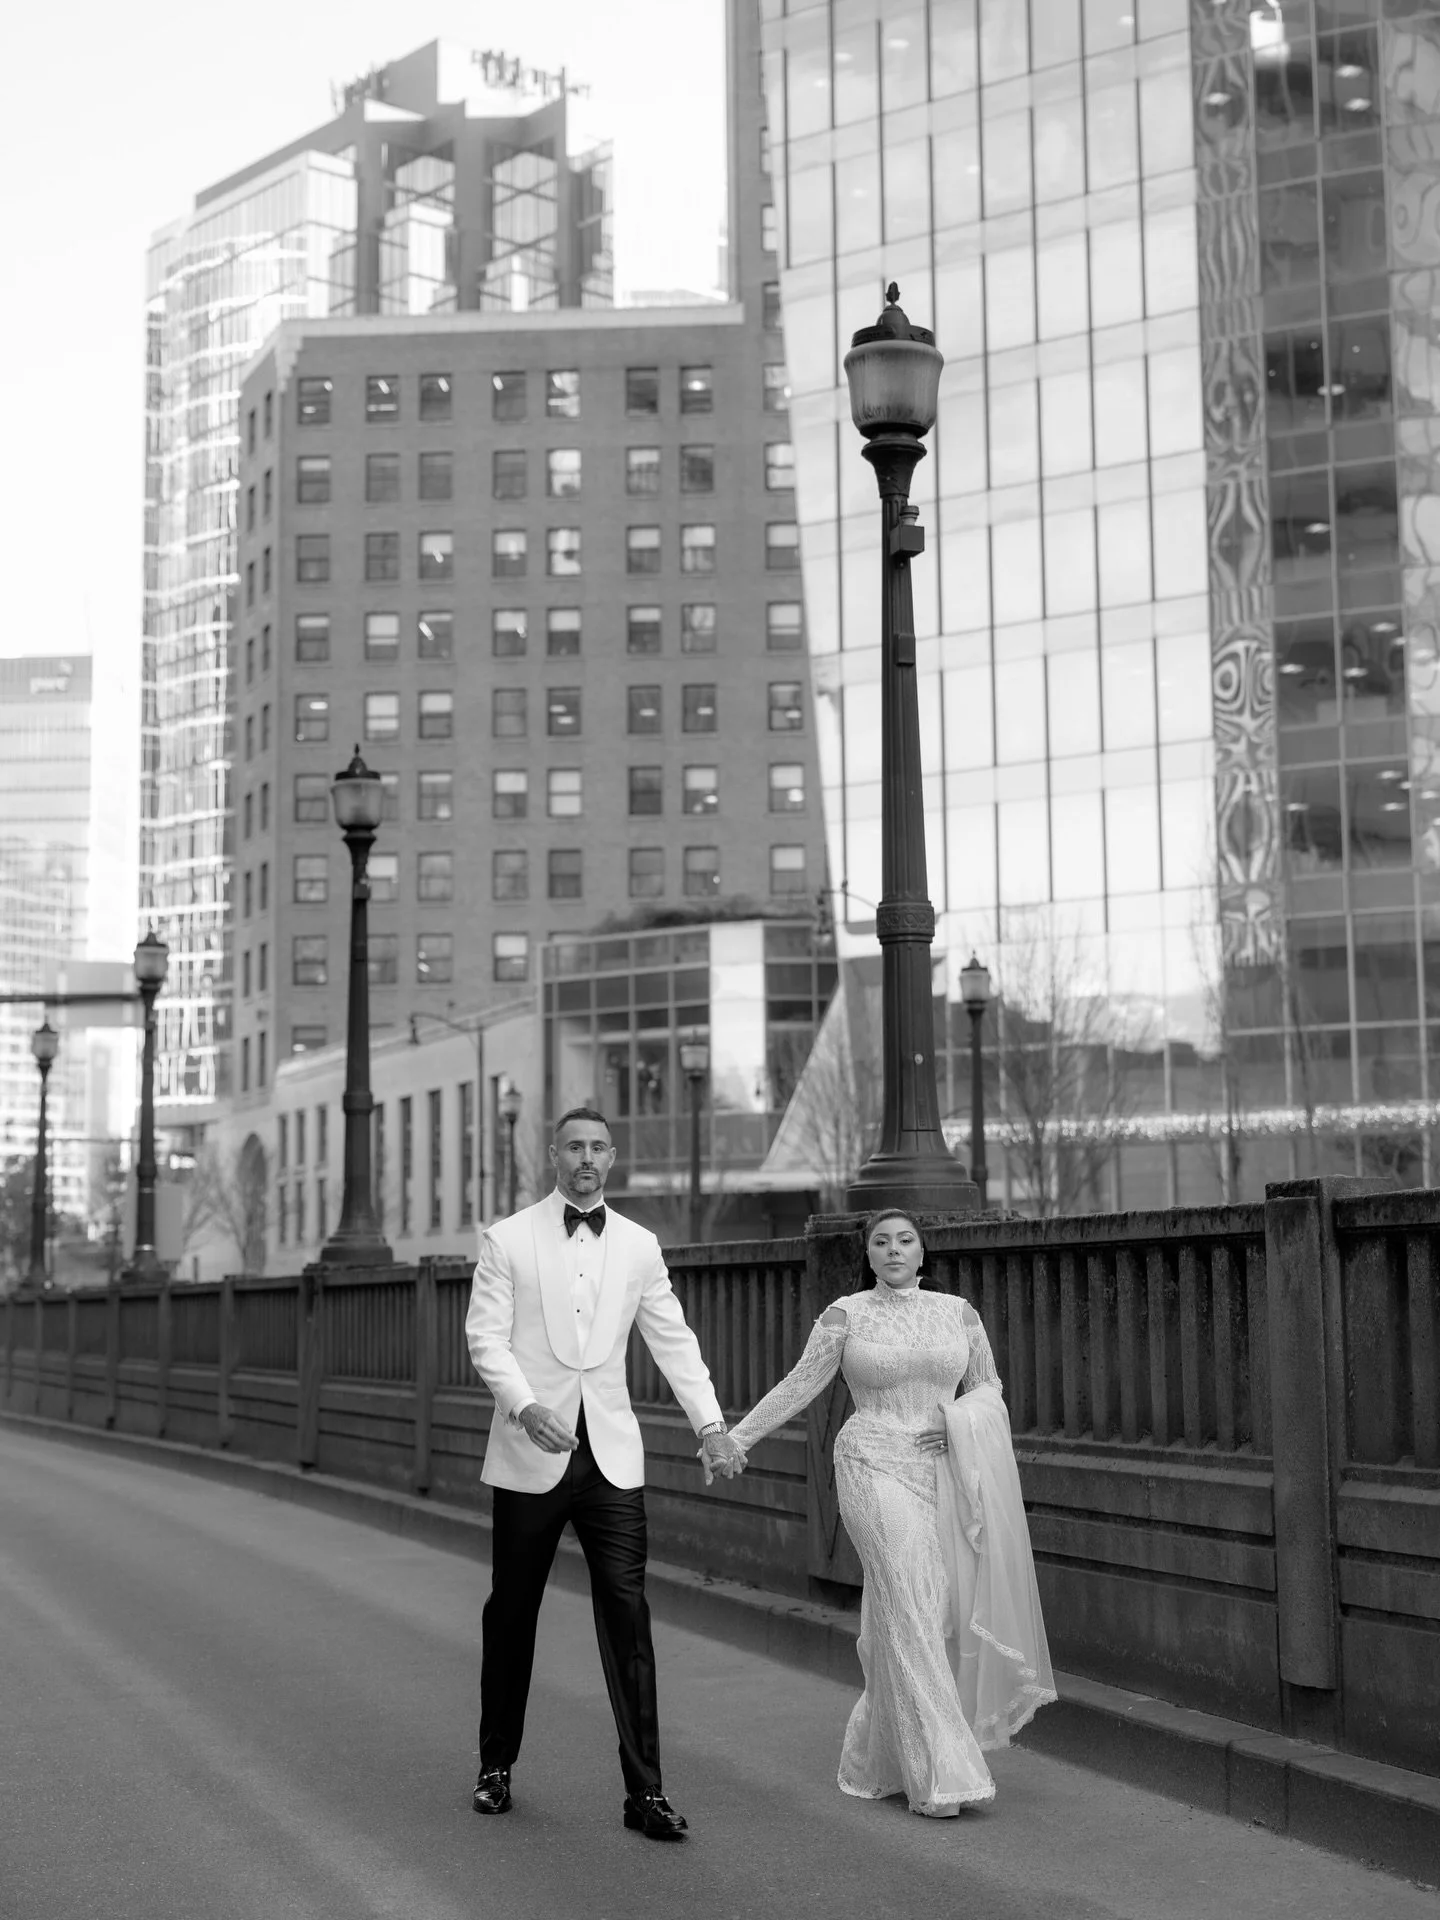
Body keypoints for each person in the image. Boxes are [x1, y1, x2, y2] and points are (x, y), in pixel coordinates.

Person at [465, 1105, 745, 1840]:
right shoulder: (507, 1239)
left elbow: (673, 1340)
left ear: (612, 1158)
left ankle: (644, 1793)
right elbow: (485, 1341)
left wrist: (711, 1426)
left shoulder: (641, 1245)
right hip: (532, 1455)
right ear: (553, 1154)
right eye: (574, 1146)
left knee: (628, 1617)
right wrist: (525, 1410)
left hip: (612, 1461)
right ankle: (496, 1766)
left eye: (597, 1147)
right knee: (512, 1614)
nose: (586, 1157)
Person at [725, 1208, 1055, 1816]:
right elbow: (800, 1385)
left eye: (905, 1240)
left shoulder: (959, 1314)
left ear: (922, 1253)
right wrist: (735, 1438)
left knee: (919, 1606)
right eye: (881, 1242)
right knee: (908, 1599)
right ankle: (942, 1772)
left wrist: (955, 1422)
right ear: (869, 1255)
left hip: (941, 1471)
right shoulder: (846, 1315)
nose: (894, 1250)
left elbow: (989, 1388)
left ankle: (878, 1757)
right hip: (871, 1462)